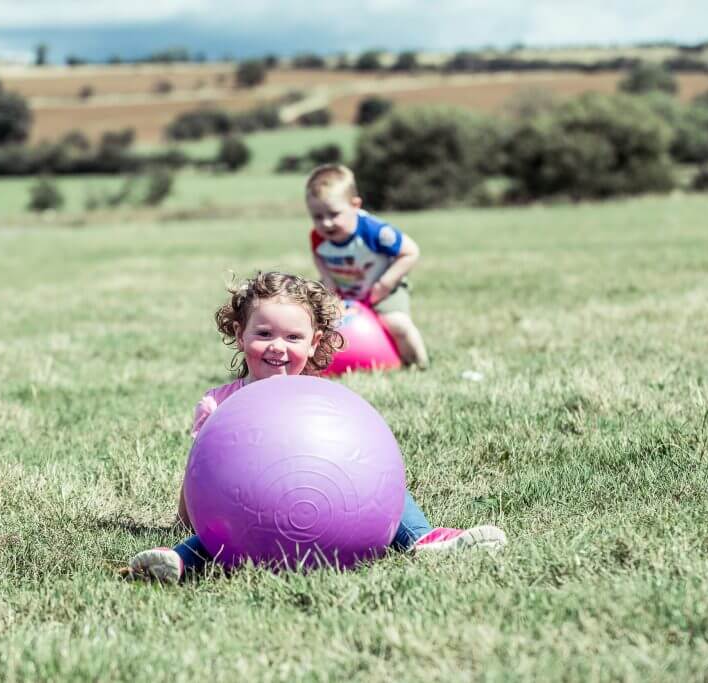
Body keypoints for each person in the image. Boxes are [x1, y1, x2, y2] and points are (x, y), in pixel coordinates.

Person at [121, 272, 505, 583]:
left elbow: (356, 457)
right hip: (247, 512)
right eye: (264, 334)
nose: (278, 346)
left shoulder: (321, 402)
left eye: (293, 337)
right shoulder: (219, 405)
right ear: (240, 335)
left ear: (313, 342)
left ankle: (422, 538)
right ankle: (179, 561)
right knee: (218, 530)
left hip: (325, 501)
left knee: (379, 483)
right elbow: (201, 476)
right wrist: (185, 521)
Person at [305, 164, 429, 368]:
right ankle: (315, 366)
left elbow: (410, 252)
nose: (326, 223)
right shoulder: (318, 236)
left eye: (334, 214)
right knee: (311, 321)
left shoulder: (375, 231)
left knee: (397, 323)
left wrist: (385, 284)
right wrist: (327, 281)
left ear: (355, 205)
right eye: (317, 217)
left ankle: (419, 363)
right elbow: (318, 255)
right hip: (341, 290)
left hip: (383, 289)